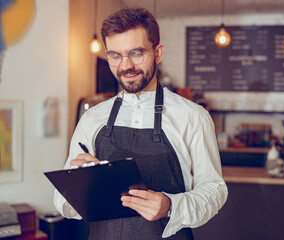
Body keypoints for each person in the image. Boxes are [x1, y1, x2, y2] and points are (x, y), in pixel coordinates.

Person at [54, 7, 228, 239]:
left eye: (136, 53)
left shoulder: (193, 117)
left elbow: (214, 191)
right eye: (115, 55)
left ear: (158, 52)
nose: (125, 66)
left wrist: (170, 206)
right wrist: (76, 184)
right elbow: (61, 203)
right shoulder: (92, 119)